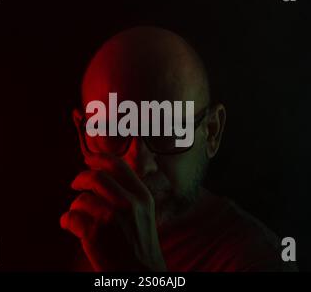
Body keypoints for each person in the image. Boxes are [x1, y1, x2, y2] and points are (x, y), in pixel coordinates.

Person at [60, 26, 296, 271]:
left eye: (167, 130)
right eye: (113, 131)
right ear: (83, 134)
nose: (138, 163)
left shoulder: (258, 261)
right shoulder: (61, 235)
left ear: (212, 131)